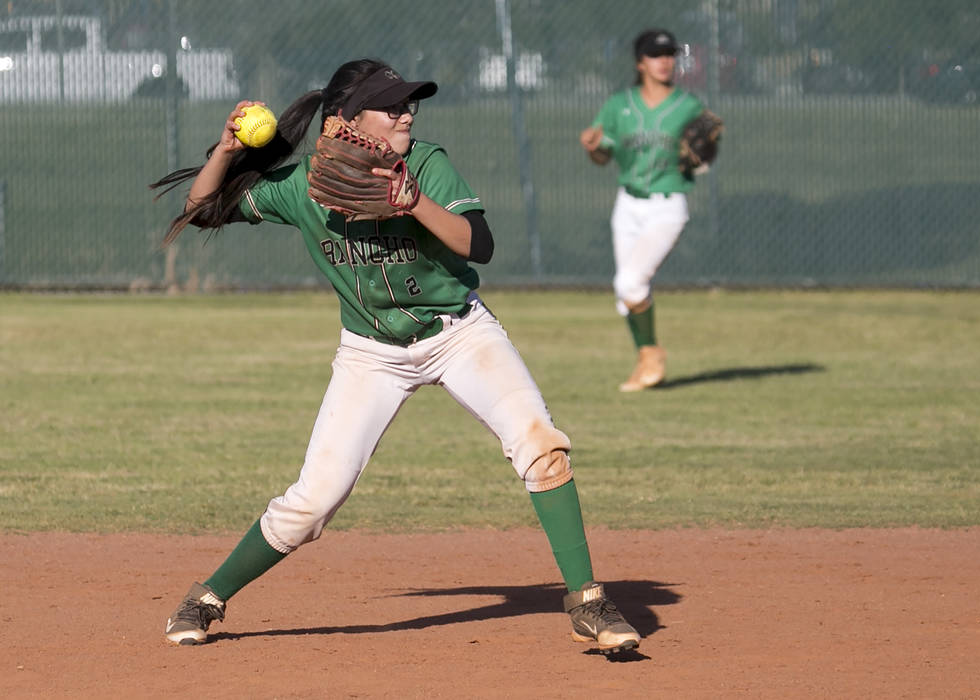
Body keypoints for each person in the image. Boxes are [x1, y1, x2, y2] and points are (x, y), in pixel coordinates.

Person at [151, 59, 640, 656]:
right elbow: (202, 207)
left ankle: (588, 601)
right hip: (372, 354)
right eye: (391, 105)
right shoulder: (304, 185)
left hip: (458, 333)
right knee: (311, 502)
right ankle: (208, 596)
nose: (407, 112)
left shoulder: (427, 163)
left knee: (541, 445)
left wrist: (413, 203)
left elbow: (477, 245)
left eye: (410, 103)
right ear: (345, 122)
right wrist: (225, 151)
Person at [580, 29, 709, 392]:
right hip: (628, 204)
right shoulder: (619, 105)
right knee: (626, 296)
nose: (665, 61)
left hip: (667, 206)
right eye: (656, 54)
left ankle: (651, 355)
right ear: (640, 62)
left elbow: (702, 157)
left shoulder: (688, 107)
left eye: (669, 54)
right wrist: (593, 148)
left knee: (630, 283)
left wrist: (703, 153)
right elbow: (602, 157)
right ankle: (645, 362)